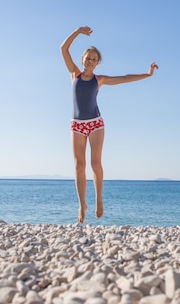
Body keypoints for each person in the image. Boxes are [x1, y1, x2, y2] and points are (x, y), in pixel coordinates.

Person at [60, 26, 159, 224]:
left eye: (94, 59)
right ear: (82, 60)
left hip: (96, 123)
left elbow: (124, 78)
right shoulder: (74, 74)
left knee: (95, 164)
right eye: (87, 58)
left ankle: (98, 199)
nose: (90, 61)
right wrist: (78, 32)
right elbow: (63, 49)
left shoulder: (100, 80)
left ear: (97, 63)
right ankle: (81, 204)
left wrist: (147, 74)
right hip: (77, 125)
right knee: (79, 166)